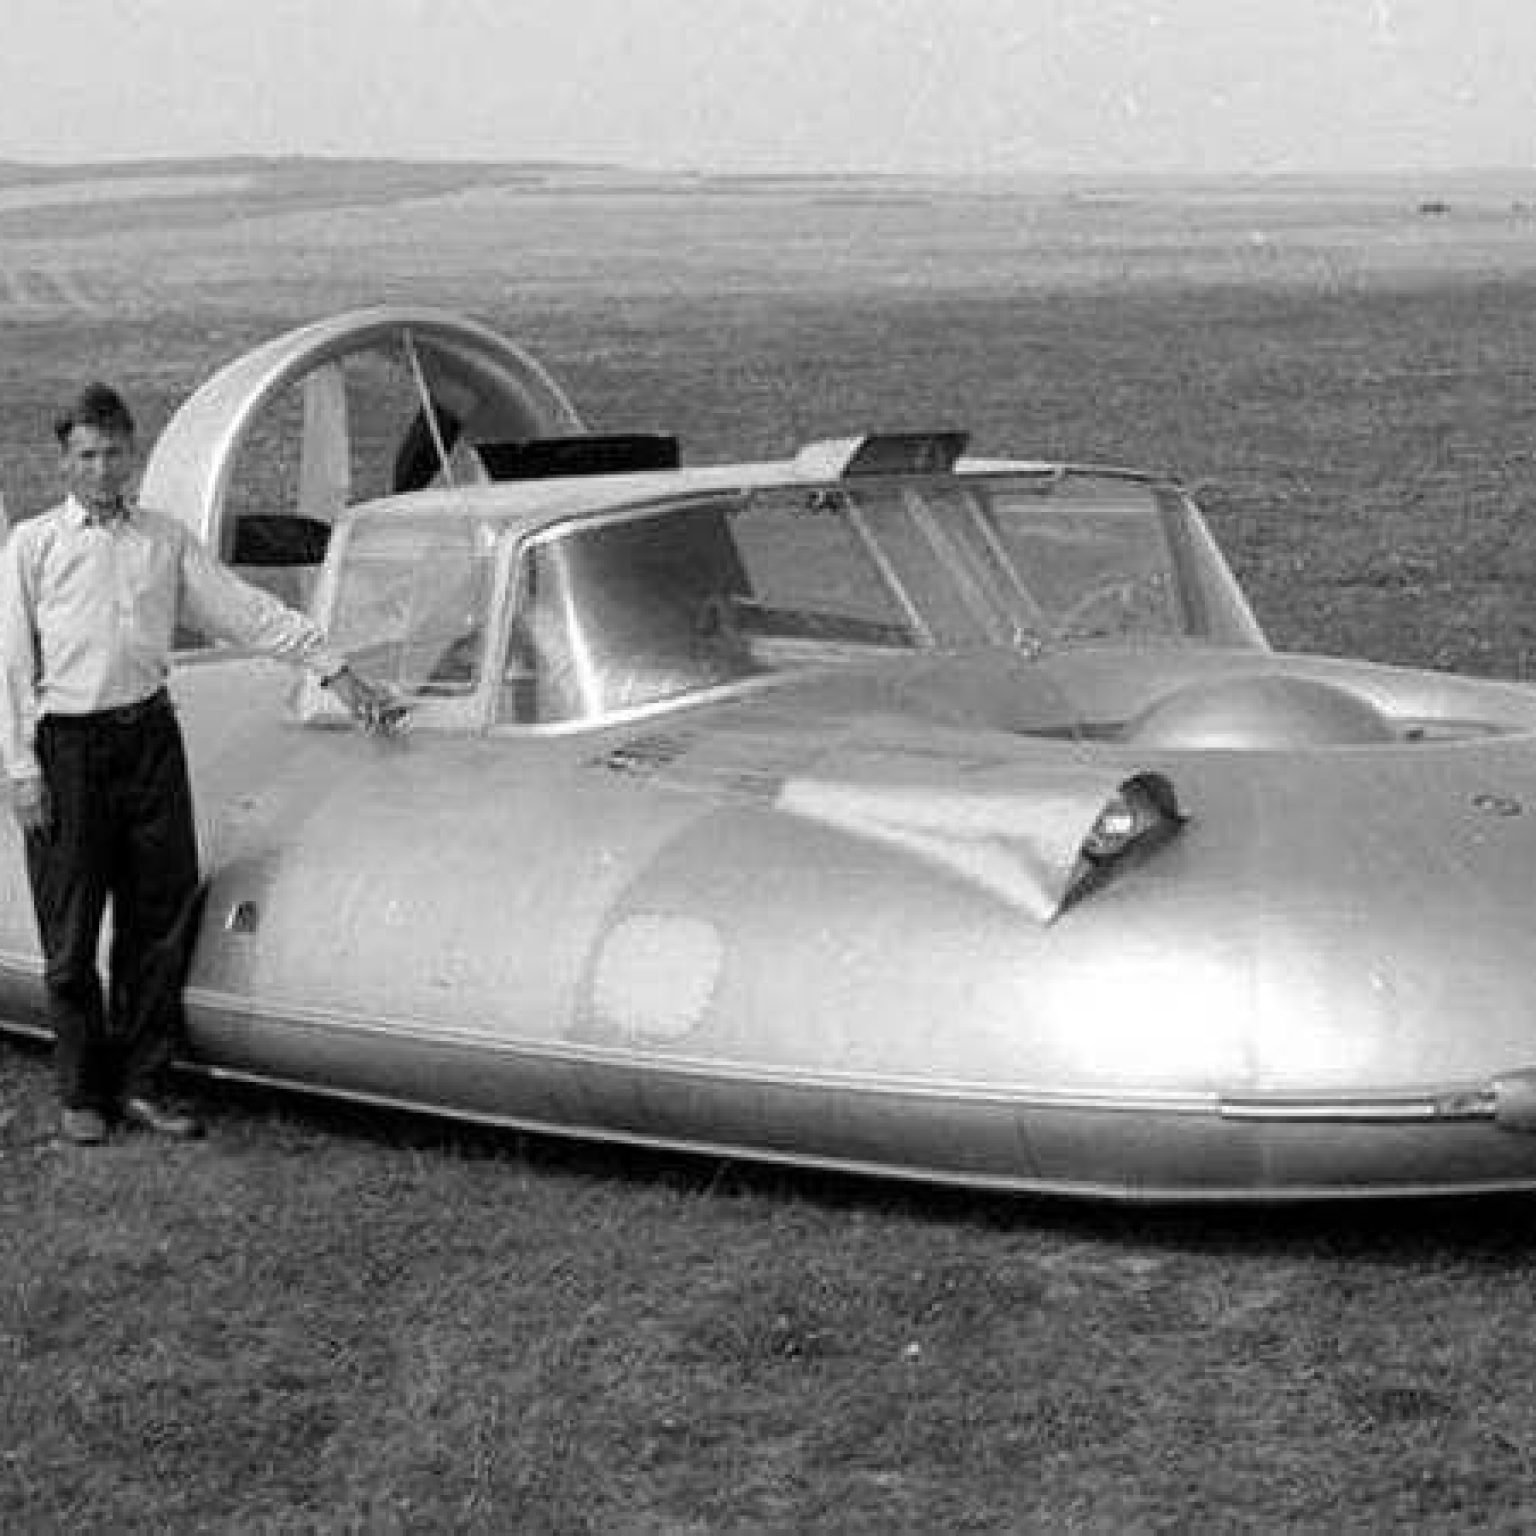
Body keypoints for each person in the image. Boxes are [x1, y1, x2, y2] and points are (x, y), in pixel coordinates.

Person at [0, 383, 398, 1146]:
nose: (102, 469)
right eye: (87, 455)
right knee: (70, 939)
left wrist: (334, 668)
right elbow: (12, 666)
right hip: (69, 750)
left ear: (132, 455)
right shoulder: (33, 546)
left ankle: (145, 1083)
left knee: (159, 918)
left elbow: (244, 611)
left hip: (149, 740)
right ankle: (82, 1092)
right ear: (65, 463)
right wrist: (23, 772)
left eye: (114, 453)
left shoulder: (164, 540)